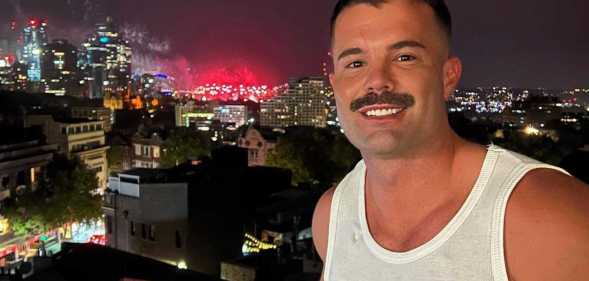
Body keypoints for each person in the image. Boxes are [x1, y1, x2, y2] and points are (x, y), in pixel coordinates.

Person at [311, 0, 589, 280]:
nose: (377, 80)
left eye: (404, 57)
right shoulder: (332, 217)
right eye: (355, 63)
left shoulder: (549, 218)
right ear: (335, 86)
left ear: (448, 76)